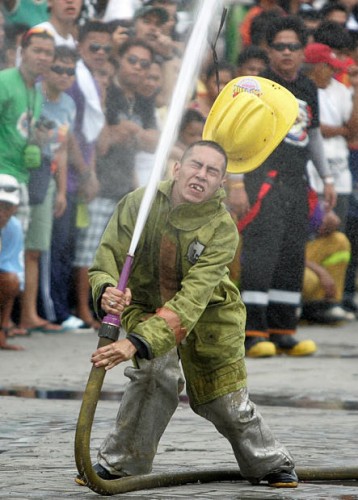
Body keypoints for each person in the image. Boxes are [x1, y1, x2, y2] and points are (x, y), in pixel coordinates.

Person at [76, 140, 298, 489]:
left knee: (223, 400)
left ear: (220, 183)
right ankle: (121, 465)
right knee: (153, 376)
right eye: (195, 165)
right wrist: (107, 289)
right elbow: (107, 259)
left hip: (210, 317)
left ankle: (269, 461)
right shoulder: (140, 203)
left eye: (212, 172)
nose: (201, 175)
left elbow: (193, 298)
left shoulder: (222, 226)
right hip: (146, 308)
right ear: (177, 168)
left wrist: (135, 343)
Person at [233, 16, 337, 358]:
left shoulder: (308, 88)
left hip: (299, 182)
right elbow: (235, 133)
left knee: (292, 256)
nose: (287, 53)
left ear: (302, 51)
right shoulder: (257, 85)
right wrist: (235, 182)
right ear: (269, 50)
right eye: (280, 47)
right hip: (265, 181)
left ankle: (282, 330)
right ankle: (252, 331)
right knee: (262, 255)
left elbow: (316, 134)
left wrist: (327, 179)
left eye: (294, 47)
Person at [19, 45, 77, 333]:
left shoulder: (68, 104)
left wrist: (63, 190)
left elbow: (63, 149)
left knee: (35, 249)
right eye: (59, 68)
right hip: (24, 171)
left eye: (70, 70)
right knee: (17, 245)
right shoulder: (33, 95)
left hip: (48, 178)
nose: (65, 75)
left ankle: (29, 314)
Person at [0, 174, 24, 350]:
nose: (2, 213)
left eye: (6, 207)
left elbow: (11, 272)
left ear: (15, 208)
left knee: (11, 281)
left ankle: (2, 331)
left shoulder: (14, 227)